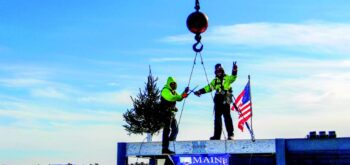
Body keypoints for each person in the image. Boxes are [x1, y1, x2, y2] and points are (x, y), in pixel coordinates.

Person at [194, 63, 238, 140]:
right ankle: (217, 136)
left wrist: (234, 70)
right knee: (217, 118)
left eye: (220, 70)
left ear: (222, 70)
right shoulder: (214, 81)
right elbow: (208, 88)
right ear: (215, 72)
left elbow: (233, 78)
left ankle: (230, 134)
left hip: (226, 97)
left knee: (227, 116)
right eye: (217, 71)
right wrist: (199, 91)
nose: (219, 72)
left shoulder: (227, 78)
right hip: (218, 99)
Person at [160, 76, 189, 154]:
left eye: (174, 84)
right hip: (165, 113)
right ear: (168, 84)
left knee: (175, 130)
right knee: (167, 130)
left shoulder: (173, 91)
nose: (173, 85)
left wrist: (184, 92)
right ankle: (165, 148)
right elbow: (170, 98)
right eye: (171, 84)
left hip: (171, 114)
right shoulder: (165, 90)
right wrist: (181, 96)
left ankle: (170, 144)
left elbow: (179, 98)